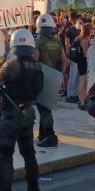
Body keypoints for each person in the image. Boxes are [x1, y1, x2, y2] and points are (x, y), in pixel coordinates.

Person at [0, 29, 43, 191]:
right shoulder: (37, 66)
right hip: (29, 112)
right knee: (29, 153)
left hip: (11, 115)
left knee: (5, 156)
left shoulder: (12, 65)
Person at [33, 14, 67, 148]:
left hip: (42, 77)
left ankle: (50, 135)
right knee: (46, 105)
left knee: (44, 108)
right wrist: (60, 74)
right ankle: (42, 134)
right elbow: (64, 60)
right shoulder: (57, 40)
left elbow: (35, 59)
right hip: (54, 76)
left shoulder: (39, 40)